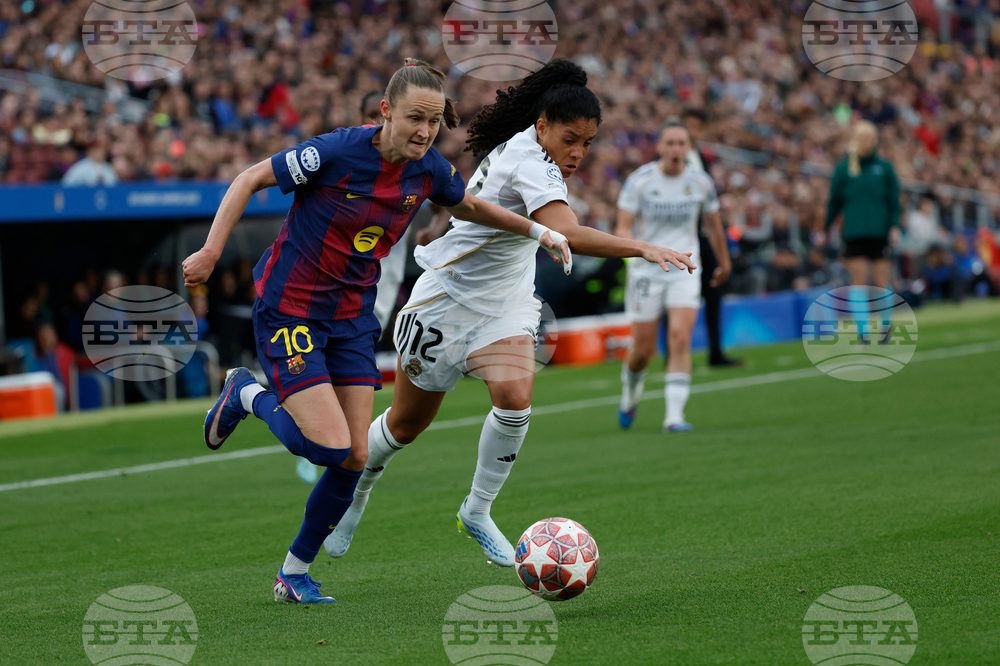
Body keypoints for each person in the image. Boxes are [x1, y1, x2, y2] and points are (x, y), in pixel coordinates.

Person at [183, 59, 572, 605]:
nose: (424, 131)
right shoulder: (336, 151)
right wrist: (211, 250)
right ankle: (245, 393)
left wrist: (540, 230)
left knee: (354, 458)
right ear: (386, 111)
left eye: (434, 122)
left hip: (351, 321)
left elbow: (472, 206)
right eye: (415, 118)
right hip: (291, 309)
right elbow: (250, 178)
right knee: (327, 445)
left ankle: (293, 575)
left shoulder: (428, 170)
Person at [324, 59, 695, 567]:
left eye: (587, 143)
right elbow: (567, 232)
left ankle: (477, 510)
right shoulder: (529, 159)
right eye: (571, 139)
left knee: (515, 394)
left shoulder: (530, 148)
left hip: (506, 304)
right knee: (406, 426)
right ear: (542, 126)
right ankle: (356, 492)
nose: (578, 153)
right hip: (445, 300)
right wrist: (641, 247)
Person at [615, 118, 731, 432]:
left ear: (688, 148)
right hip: (646, 272)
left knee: (680, 337)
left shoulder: (700, 182)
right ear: (659, 147)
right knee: (642, 350)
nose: (676, 149)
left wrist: (724, 261)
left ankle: (674, 417)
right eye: (670, 143)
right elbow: (623, 227)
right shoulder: (640, 181)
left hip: (685, 269)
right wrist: (633, 255)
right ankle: (630, 395)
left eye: (681, 143)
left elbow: (713, 226)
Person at [681, 108, 741, 367]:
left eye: (697, 126)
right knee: (681, 297)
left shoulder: (701, 159)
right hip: (682, 238)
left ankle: (716, 352)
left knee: (714, 291)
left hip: (704, 236)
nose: (692, 131)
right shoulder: (673, 159)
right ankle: (676, 353)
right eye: (688, 125)